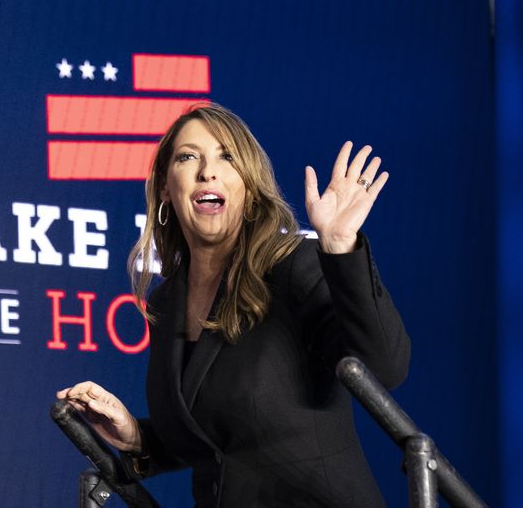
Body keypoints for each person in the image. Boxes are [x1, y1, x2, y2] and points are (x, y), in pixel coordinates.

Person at [57, 103, 410, 507]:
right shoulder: (167, 302)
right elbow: (217, 440)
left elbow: (383, 367)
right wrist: (136, 436)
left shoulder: (293, 267)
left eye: (227, 157)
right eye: (188, 157)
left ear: (249, 185)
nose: (208, 171)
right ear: (166, 188)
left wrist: (341, 248)